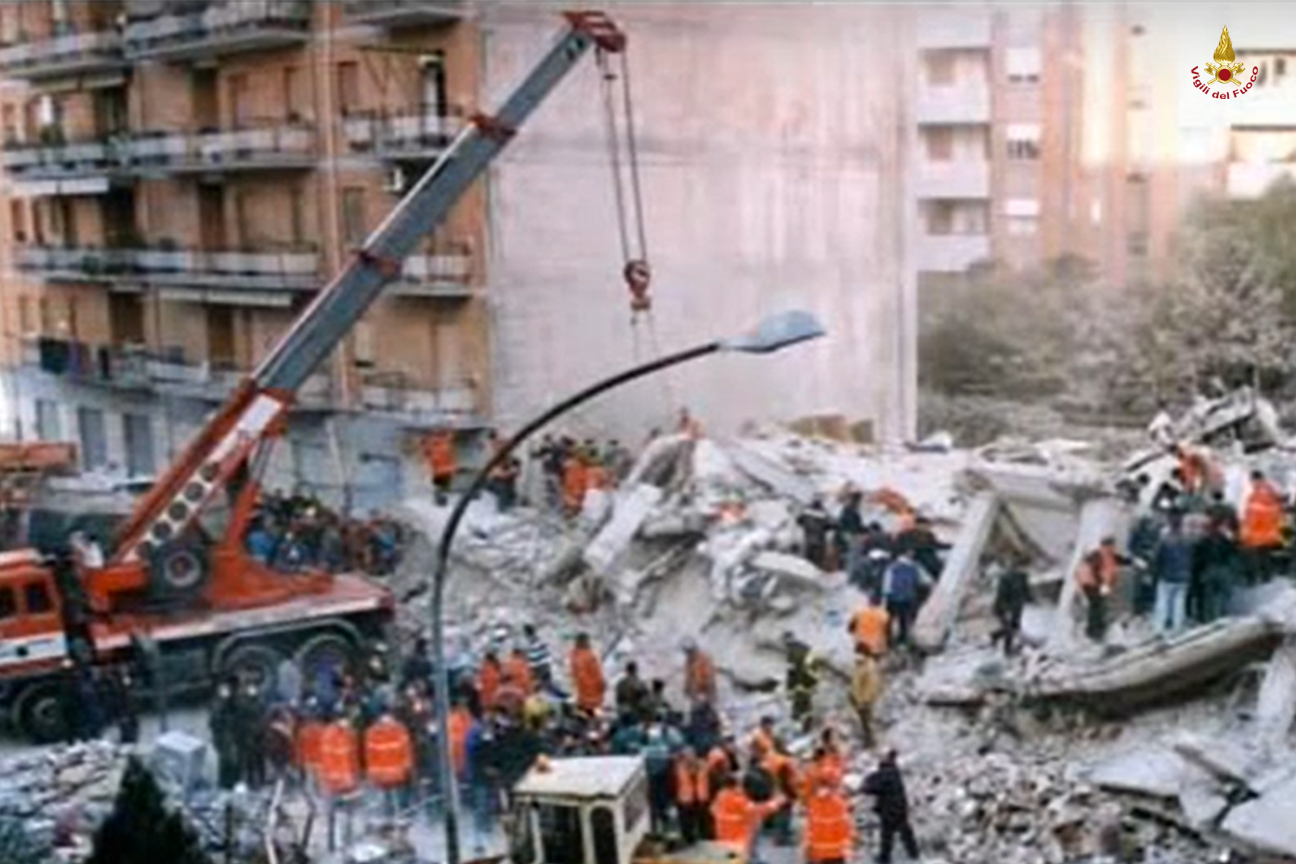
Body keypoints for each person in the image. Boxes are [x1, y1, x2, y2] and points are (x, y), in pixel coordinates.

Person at [710, 774, 783, 863]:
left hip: (723, 833)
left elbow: (713, 809)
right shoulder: (737, 799)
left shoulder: (720, 795)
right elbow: (756, 810)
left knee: (730, 855)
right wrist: (774, 804)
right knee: (737, 856)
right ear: (735, 785)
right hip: (739, 835)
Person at [863, 749, 919, 864]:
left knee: (887, 836)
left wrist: (865, 783)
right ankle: (914, 854)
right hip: (900, 808)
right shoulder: (894, 772)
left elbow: (870, 788)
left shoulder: (885, 773)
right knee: (905, 832)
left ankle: (885, 858)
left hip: (889, 810)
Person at [1075, 537, 1124, 642]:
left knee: (1096, 606)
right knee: (1097, 607)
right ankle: (1095, 630)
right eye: (1112, 545)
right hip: (1093, 584)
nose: (1114, 547)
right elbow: (1102, 571)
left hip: (1088, 583)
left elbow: (1117, 559)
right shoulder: (1103, 555)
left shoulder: (1099, 554)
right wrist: (1103, 585)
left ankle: (1095, 629)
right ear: (1109, 545)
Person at [1241, 470, 1285, 584]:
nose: (1251, 483)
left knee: (1255, 556)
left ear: (1256, 479)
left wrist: (1246, 532)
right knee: (1265, 557)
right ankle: (1266, 579)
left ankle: (1261, 582)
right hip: (1268, 532)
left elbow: (1254, 515)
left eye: (1252, 480)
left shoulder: (1260, 493)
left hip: (1261, 533)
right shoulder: (1269, 490)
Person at [1152, 515, 1192, 634]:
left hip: (1167, 575)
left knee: (1163, 602)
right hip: (1183, 576)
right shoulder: (1188, 540)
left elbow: (1157, 558)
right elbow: (1192, 558)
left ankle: (1159, 628)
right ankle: (1177, 627)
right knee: (1179, 603)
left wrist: (1155, 571)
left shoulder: (1164, 540)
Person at [804, 775, 853, 864]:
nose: (820, 792)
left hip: (834, 853)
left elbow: (844, 828)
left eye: (823, 788)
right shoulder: (813, 804)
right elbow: (810, 827)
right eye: (818, 789)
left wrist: (846, 848)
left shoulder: (838, 805)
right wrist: (807, 845)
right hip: (819, 852)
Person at [881, 550, 924, 649]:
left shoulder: (892, 567)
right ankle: (903, 640)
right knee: (904, 620)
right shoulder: (914, 568)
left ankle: (888, 640)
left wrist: (885, 595)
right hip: (908, 597)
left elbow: (887, 583)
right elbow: (920, 581)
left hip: (893, 597)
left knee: (889, 619)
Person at [991, 555, 1032, 655]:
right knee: (1009, 629)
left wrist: (1031, 600)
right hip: (1004, 607)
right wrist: (1005, 609)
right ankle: (1007, 650)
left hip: (1017, 607)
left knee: (1015, 627)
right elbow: (1002, 594)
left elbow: (1026, 591)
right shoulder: (1006, 578)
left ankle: (995, 636)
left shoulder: (1023, 577)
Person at [783, 633, 821, 732]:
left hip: (801, 681)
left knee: (799, 703)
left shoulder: (792, 652)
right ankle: (809, 724)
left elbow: (792, 672)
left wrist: (789, 689)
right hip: (811, 680)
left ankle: (803, 727)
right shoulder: (805, 647)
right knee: (807, 702)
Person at [849, 644, 883, 749]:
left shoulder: (869, 667)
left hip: (864, 701)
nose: (857, 656)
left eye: (859, 653)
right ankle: (867, 740)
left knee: (867, 722)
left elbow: (872, 686)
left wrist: (864, 701)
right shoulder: (860, 664)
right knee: (863, 721)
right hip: (859, 698)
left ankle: (871, 742)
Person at [674, 746, 710, 844]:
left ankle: (704, 840)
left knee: (703, 824)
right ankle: (688, 841)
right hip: (685, 801)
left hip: (702, 799)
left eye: (691, 755)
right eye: (686, 756)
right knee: (686, 824)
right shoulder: (678, 768)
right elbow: (673, 784)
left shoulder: (704, 766)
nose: (689, 757)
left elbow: (711, 781)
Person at [569, 633, 606, 715]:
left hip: (584, 695)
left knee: (587, 715)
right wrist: (601, 685)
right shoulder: (588, 655)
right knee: (593, 716)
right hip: (591, 694)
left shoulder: (575, 655)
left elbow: (574, 675)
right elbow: (597, 673)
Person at [797, 498, 833, 571]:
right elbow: (833, 525)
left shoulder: (806, 515)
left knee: (806, 562)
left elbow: (798, 521)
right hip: (820, 543)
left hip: (808, 542)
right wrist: (827, 513)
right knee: (816, 564)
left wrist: (805, 509)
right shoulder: (824, 516)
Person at [424, 430, 457, 505]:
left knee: (441, 487)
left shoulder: (440, 445)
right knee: (442, 487)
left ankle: (440, 499)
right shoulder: (443, 445)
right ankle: (440, 499)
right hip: (443, 472)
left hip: (441, 472)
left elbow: (451, 458)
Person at [683, 639, 718, 707]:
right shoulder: (689, 662)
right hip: (696, 695)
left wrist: (708, 695)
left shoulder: (703, 660)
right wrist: (687, 690)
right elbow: (688, 678)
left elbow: (709, 679)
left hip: (705, 694)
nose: (689, 655)